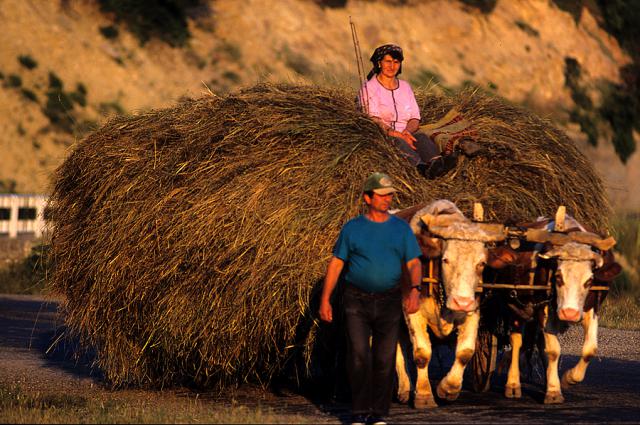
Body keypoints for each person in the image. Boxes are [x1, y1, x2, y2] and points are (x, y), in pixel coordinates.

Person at [319, 172, 422, 425]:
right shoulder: (352, 228)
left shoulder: (400, 229)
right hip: (356, 300)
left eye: (390, 195)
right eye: (382, 195)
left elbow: (413, 262)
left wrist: (415, 290)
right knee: (358, 355)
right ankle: (359, 411)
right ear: (367, 197)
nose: (387, 199)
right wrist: (325, 299)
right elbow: (336, 264)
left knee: (384, 359)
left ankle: (377, 414)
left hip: (389, 301)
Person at [358, 44, 474, 178]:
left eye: (396, 62)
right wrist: (397, 134)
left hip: (406, 132)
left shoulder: (405, 87)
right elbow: (374, 119)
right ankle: (421, 168)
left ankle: (437, 163)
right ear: (379, 63)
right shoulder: (369, 88)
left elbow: (414, 118)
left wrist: (407, 132)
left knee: (421, 137)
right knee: (398, 141)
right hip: (384, 134)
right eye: (388, 62)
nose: (392, 66)